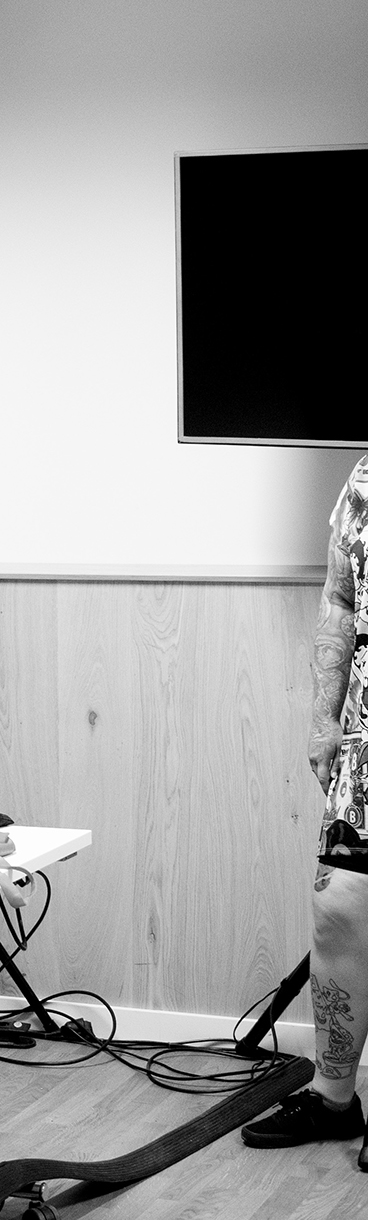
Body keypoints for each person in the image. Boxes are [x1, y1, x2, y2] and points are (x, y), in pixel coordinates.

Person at [242, 460, 368, 1163]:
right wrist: (324, 715)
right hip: (367, 733)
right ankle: (333, 1096)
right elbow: (340, 598)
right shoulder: (365, 478)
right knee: (340, 903)